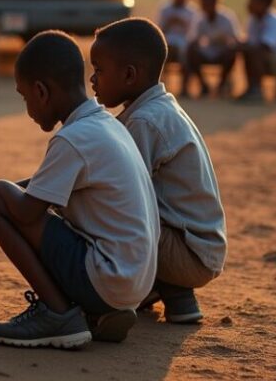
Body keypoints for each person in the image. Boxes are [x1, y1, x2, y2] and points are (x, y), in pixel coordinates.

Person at [0, 31, 158, 348]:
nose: (27, 106)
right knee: (2, 191)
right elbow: (47, 187)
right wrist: (0, 186)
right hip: (132, 284)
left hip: (107, 278)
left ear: (41, 92)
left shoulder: (73, 138)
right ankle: (95, 314)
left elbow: (27, 210)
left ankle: (57, 314)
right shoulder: (103, 124)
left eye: (25, 97)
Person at [90, 18, 227, 324]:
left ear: (129, 75)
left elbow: (113, 190)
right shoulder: (156, 108)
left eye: (99, 70)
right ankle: (164, 291)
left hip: (187, 254)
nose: (92, 79)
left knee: (94, 210)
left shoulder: (145, 122)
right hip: (197, 248)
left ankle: (173, 291)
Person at [185, 0, 241, 98]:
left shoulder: (227, 18)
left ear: (216, 1)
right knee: (190, 50)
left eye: (209, 1)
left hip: (222, 52)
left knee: (232, 50)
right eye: (203, 1)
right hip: (207, 51)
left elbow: (235, 39)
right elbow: (193, 40)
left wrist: (229, 44)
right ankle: (204, 85)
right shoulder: (199, 18)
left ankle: (221, 85)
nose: (206, 4)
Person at [157, 0, 198, 95]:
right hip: (168, 40)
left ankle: (185, 87)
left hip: (184, 42)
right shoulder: (165, 8)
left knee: (188, 51)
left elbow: (194, 33)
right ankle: (161, 86)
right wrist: (170, 23)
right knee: (164, 49)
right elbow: (159, 29)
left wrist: (183, 24)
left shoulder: (192, 11)